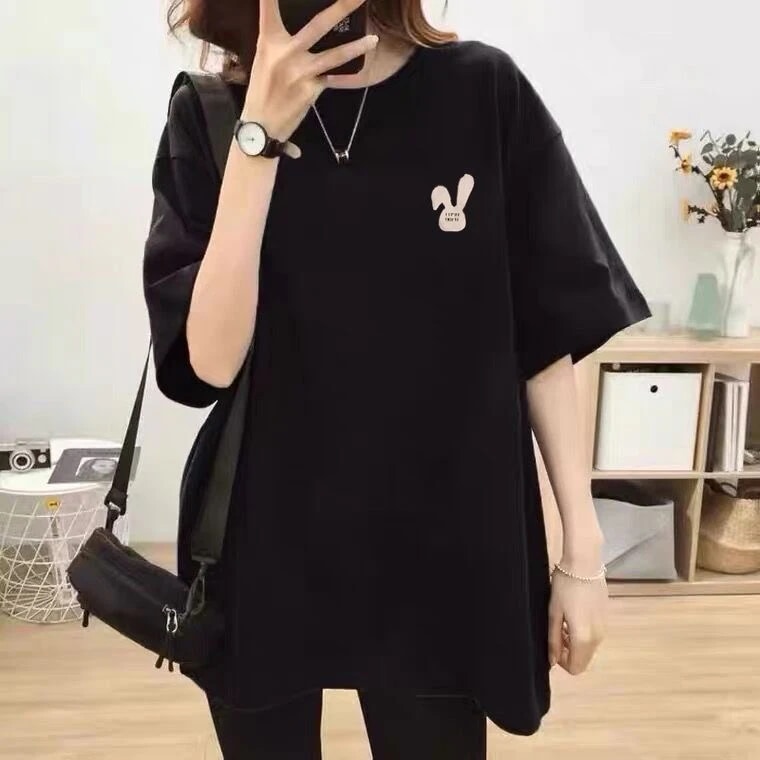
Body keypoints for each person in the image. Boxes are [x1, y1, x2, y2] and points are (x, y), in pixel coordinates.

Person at [142, 0, 652, 757]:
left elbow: (545, 336)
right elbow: (210, 364)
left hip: (444, 541)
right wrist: (259, 139)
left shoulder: (482, 91)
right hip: (268, 537)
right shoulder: (211, 113)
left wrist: (582, 553)